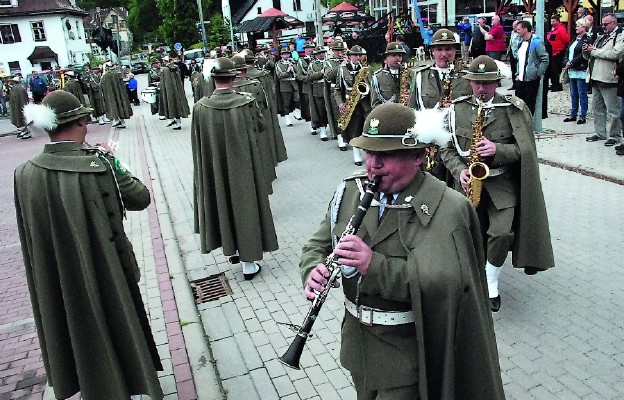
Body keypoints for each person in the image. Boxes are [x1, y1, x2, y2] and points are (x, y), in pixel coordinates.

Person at [300, 102, 505, 399]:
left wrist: (375, 266)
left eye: (387, 155)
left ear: (419, 155)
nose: (374, 165)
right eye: (370, 153)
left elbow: (448, 284)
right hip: (358, 346)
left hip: (412, 353)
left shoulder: (449, 207)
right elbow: (317, 245)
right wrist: (312, 270)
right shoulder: (350, 191)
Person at [15, 90, 164, 400]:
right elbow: (140, 197)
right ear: (80, 122)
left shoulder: (24, 174)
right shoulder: (97, 164)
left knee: (72, 328)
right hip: (106, 268)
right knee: (118, 324)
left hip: (57, 276)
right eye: (86, 120)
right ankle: (130, 387)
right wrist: (114, 162)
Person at [440, 55, 555, 312]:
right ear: (469, 82)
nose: (482, 89)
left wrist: (497, 149)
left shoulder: (513, 108)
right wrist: (459, 171)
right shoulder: (456, 109)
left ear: (497, 82)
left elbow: (526, 152)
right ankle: (466, 278)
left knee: (502, 233)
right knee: (464, 234)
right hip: (468, 183)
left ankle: (491, 280)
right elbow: (446, 149)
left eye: (488, 83)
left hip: (501, 182)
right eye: (477, 83)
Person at [191, 58, 278, 280]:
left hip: (215, 168)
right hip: (245, 166)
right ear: (234, 77)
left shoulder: (200, 107)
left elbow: (197, 142)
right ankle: (249, 262)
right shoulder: (246, 102)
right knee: (246, 206)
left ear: (213, 79)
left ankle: (235, 250)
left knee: (223, 203)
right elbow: (260, 126)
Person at [583, 12, 624, 146]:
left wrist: (593, 50)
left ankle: (615, 135)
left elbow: (615, 53)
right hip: (595, 77)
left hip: (609, 77)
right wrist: (587, 51)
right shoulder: (601, 36)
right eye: (602, 24)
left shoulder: (620, 35)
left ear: (614, 23)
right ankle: (600, 133)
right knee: (597, 108)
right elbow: (591, 55)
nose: (603, 26)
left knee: (613, 110)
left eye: (606, 24)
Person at [334, 45, 371, 165]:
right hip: (351, 103)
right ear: (350, 57)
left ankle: (369, 153)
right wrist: (340, 103)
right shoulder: (342, 69)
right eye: (355, 55)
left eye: (360, 55)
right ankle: (356, 154)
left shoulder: (366, 69)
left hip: (365, 102)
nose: (358, 57)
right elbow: (338, 89)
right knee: (355, 129)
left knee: (368, 128)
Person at [513, 20, 549, 115]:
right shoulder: (520, 42)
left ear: (525, 29)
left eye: (519, 29)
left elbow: (545, 59)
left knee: (529, 105)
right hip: (520, 78)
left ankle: (528, 126)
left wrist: (537, 73)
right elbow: (519, 59)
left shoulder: (536, 42)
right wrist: (517, 73)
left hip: (531, 79)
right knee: (518, 104)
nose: (517, 31)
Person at [564, 18, 593, 124]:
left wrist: (572, 62)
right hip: (572, 69)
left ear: (584, 27)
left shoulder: (587, 39)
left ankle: (583, 115)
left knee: (582, 92)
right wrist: (567, 61)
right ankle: (573, 113)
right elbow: (568, 51)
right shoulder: (574, 39)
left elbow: (584, 55)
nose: (576, 27)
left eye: (578, 25)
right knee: (573, 93)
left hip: (580, 68)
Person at [371, 42, 408, 108]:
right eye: (393, 55)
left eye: (400, 55)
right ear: (385, 59)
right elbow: (375, 104)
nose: (397, 58)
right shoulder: (377, 77)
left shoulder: (408, 73)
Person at [159, 55, 190, 130]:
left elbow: (164, 82)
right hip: (177, 90)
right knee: (177, 105)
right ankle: (177, 122)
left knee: (170, 105)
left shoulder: (165, 70)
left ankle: (172, 120)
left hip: (168, 91)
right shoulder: (176, 68)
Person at [306, 46, 330, 140]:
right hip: (318, 90)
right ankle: (322, 130)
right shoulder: (312, 64)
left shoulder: (329, 62)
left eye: (323, 52)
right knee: (321, 111)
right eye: (319, 53)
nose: (321, 54)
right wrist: (320, 73)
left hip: (329, 89)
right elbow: (309, 77)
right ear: (315, 55)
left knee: (330, 110)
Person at [100, 62, 133, 128]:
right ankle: (122, 122)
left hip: (110, 94)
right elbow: (125, 80)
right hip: (120, 93)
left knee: (113, 105)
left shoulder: (106, 75)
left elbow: (101, 85)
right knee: (121, 105)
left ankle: (117, 120)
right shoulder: (118, 73)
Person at [275, 47, 299, 126]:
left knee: (297, 99)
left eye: (287, 54)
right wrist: (287, 71)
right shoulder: (278, 64)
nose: (286, 56)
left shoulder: (292, 61)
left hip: (293, 83)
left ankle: (296, 111)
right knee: (286, 103)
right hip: (284, 85)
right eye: (284, 54)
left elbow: (297, 72)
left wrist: (293, 67)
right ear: (281, 55)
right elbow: (279, 75)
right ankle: (288, 118)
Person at [546, 15, 571, 92]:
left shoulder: (561, 29)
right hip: (552, 52)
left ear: (558, 21)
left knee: (556, 69)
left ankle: (557, 85)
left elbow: (566, 40)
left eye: (554, 21)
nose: (552, 23)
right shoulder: (553, 29)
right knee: (552, 69)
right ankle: (554, 84)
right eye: (551, 21)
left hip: (558, 52)